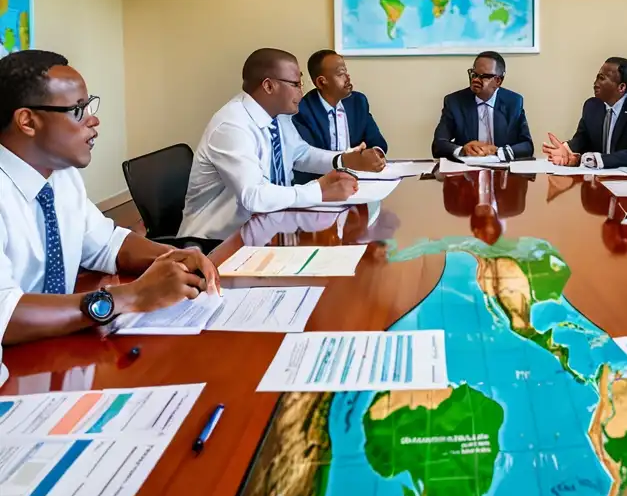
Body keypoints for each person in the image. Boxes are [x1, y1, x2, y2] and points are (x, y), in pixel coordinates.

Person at [0, 50, 220, 346]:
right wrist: (132, 296)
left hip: (56, 349)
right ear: (27, 121)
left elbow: (107, 243)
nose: (93, 120)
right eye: (78, 110)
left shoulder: (61, 176)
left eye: (89, 106)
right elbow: (5, 316)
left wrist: (170, 257)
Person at [178, 48, 364, 241]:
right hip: (215, 246)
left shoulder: (278, 116)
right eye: (295, 84)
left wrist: (343, 159)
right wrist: (319, 190)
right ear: (268, 86)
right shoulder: (232, 126)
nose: (302, 90)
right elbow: (253, 196)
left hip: (266, 231)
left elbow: (301, 154)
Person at [543, 57, 627, 170]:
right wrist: (565, 149)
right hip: (608, 177)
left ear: (621, 87)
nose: (595, 82)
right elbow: (581, 140)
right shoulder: (592, 106)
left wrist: (595, 160)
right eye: (597, 76)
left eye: (602, 78)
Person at [293, 49, 387, 183]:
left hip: (360, 181)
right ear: (321, 82)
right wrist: (348, 160)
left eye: (346, 71)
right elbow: (306, 159)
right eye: (340, 74)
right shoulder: (302, 110)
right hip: (320, 187)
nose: (348, 77)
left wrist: (375, 156)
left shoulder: (358, 102)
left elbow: (377, 142)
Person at [432, 51, 533, 161]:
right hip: (466, 171)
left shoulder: (513, 102)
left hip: (503, 171)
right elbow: (438, 145)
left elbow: (527, 146)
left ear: (498, 81)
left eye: (483, 77)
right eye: (474, 74)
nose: (475, 80)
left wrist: (497, 152)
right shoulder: (455, 102)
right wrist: (462, 150)